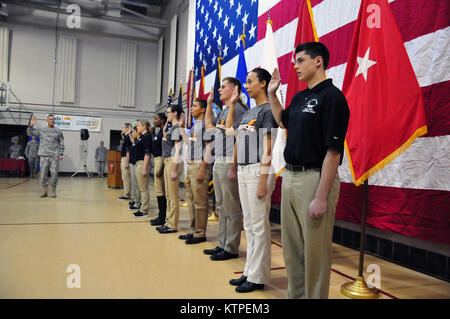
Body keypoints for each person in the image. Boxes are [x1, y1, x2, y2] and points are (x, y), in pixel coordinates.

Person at [268, 42, 350, 299]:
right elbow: (283, 120)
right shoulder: (300, 97)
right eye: (295, 61)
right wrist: (272, 93)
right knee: (292, 250)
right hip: (291, 176)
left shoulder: (333, 98)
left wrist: (321, 197)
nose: (295, 65)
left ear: (318, 61)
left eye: (300, 60)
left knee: (315, 253)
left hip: (314, 180)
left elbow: (333, 152)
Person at [227, 68, 278, 293]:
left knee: (259, 226)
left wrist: (263, 180)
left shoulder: (268, 110)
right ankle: (249, 271)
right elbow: (235, 137)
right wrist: (234, 165)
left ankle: (258, 276)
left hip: (259, 170)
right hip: (244, 170)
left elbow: (269, 147)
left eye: (250, 82)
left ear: (263, 83)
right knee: (249, 224)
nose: (246, 86)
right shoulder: (249, 113)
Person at [203, 78, 246, 260]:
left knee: (231, 206)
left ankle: (231, 247)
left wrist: (233, 165)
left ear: (234, 90)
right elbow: (209, 127)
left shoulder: (238, 109)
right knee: (221, 206)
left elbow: (234, 135)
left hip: (229, 159)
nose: (219, 90)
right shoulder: (224, 111)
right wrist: (210, 103)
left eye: (223, 87)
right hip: (219, 159)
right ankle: (222, 243)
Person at [176, 99, 214, 244]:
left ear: (203, 109)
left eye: (195, 106)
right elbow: (188, 142)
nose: (191, 108)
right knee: (191, 199)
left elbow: (209, 147)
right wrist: (180, 127)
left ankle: (200, 232)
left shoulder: (205, 124)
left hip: (200, 164)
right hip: (191, 164)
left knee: (200, 201)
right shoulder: (194, 126)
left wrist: (203, 169)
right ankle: (193, 230)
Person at [156, 105, 183, 234]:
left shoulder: (177, 128)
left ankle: (172, 225)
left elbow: (178, 148)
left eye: (168, 113)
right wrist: (168, 123)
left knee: (172, 195)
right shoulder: (172, 127)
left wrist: (174, 168)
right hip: (167, 160)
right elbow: (166, 135)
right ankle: (168, 221)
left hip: (173, 160)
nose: (166, 114)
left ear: (175, 113)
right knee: (167, 194)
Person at [27, 114, 65, 198]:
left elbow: (61, 142)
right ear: (47, 120)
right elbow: (30, 133)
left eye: (53, 119)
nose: (52, 120)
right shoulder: (42, 130)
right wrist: (31, 125)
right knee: (43, 173)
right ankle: (44, 192)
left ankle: (53, 192)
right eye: (50, 119)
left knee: (54, 173)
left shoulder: (58, 131)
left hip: (54, 155)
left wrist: (61, 153)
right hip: (44, 155)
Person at [150, 113, 168, 226]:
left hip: (160, 159)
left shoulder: (164, 132)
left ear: (162, 121)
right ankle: (161, 215)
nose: (154, 121)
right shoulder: (158, 132)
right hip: (157, 159)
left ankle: (162, 217)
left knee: (160, 190)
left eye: (156, 119)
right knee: (158, 190)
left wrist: (161, 166)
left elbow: (163, 149)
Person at [132, 120, 152, 218]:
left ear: (144, 127)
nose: (137, 127)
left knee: (143, 188)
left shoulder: (147, 137)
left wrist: (144, 168)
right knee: (141, 187)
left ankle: (144, 210)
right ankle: (142, 207)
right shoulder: (142, 137)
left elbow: (147, 153)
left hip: (142, 163)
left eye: (139, 125)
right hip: (138, 163)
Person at [128, 125, 141, 210]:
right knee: (134, 185)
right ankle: (136, 200)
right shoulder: (135, 141)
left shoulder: (141, 139)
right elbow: (133, 145)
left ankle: (138, 202)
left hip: (138, 163)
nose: (133, 133)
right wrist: (130, 134)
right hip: (133, 162)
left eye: (133, 132)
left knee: (138, 186)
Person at [118, 123, 132, 200]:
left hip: (125, 158)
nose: (122, 129)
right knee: (124, 177)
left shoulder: (127, 137)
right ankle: (126, 193)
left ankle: (127, 194)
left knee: (126, 177)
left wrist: (127, 161)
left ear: (127, 128)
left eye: (123, 127)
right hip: (123, 158)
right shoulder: (125, 137)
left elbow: (128, 151)